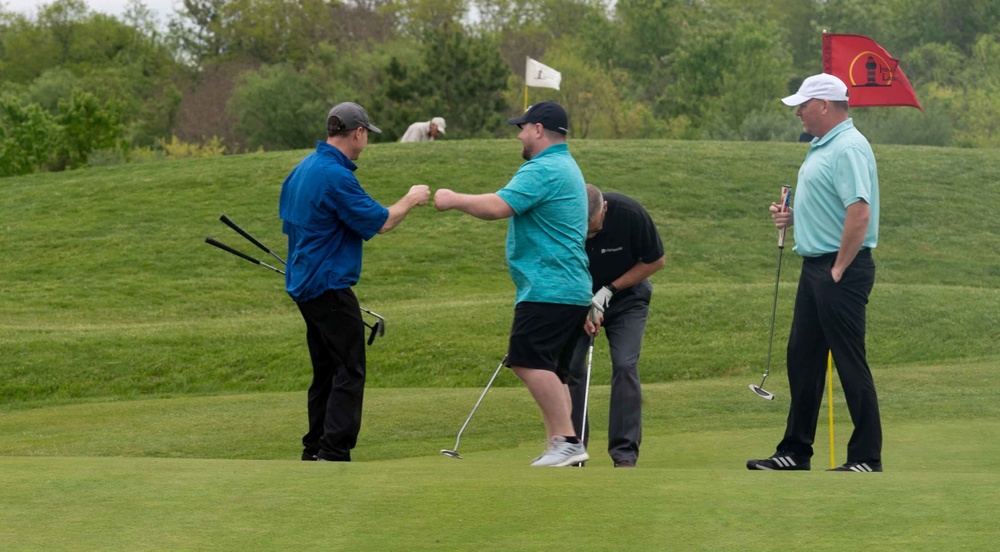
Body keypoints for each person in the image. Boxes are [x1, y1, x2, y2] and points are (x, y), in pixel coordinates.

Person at [433, 101, 592, 467]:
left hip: (550, 286)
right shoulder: (564, 165)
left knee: (525, 361)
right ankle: (562, 445)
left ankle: (566, 441)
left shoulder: (545, 168)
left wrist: (452, 199)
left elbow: (497, 206)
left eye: (522, 128)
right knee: (549, 370)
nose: (519, 135)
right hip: (565, 287)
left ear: (538, 129)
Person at [747, 73, 883, 473]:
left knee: (848, 361)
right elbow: (832, 205)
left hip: (841, 267)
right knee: (802, 360)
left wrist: (839, 267)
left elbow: (859, 213)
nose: (799, 113)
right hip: (816, 267)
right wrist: (792, 216)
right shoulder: (822, 146)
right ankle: (795, 451)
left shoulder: (849, 147)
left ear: (824, 105)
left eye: (803, 106)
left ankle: (865, 457)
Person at [279, 102, 430, 462]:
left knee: (326, 371)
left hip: (305, 286)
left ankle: (314, 447)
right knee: (349, 368)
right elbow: (381, 221)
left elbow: (294, 226)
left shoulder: (301, 170)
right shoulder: (336, 176)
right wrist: (411, 198)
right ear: (358, 133)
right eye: (367, 134)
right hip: (329, 287)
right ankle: (333, 451)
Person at [568, 184, 665, 468]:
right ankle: (572, 448)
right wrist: (585, 304)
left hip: (627, 299)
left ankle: (624, 454)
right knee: (572, 366)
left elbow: (656, 261)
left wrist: (609, 290)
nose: (588, 235)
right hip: (580, 300)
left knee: (624, 364)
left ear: (605, 209)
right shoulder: (563, 217)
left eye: (593, 230)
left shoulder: (630, 213)